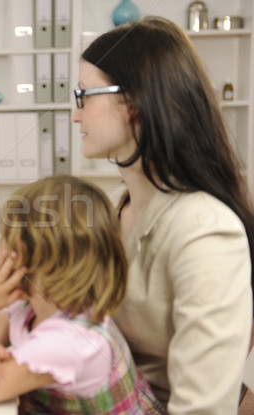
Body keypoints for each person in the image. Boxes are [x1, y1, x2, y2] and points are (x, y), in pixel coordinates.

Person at [72, 16, 253, 414]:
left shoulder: (206, 230)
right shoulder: (121, 208)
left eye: (84, 96)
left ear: (133, 101)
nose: (75, 114)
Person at [0, 176, 164, 414]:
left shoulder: (67, 342)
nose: (1, 251)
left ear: (41, 261)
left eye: (10, 243)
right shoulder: (33, 306)